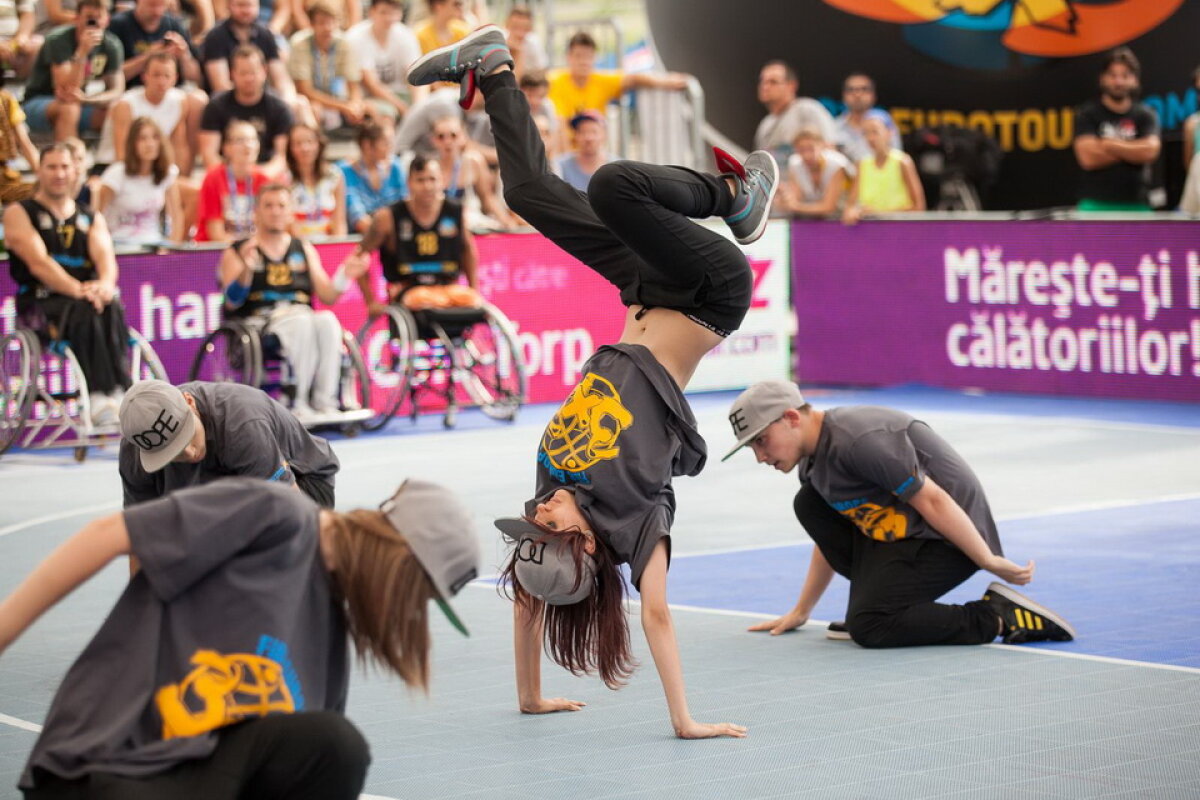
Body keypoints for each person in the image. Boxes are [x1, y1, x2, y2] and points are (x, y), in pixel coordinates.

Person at [407, 26, 778, 739]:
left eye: (531, 527)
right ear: (583, 548)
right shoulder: (638, 520)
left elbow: (524, 603)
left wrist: (529, 697)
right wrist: (685, 721)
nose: (538, 516)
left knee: (528, 191)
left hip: (640, 286)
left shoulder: (551, 482)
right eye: (547, 530)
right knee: (612, 184)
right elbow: (660, 616)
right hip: (707, 294)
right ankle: (738, 193)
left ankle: (493, 68)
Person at [0, 475, 481, 798]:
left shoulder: (329, 643)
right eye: (416, 594)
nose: (408, 612)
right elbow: (107, 535)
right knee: (334, 746)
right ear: (395, 554)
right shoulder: (278, 516)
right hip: (109, 765)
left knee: (329, 753)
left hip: (191, 781)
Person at [723, 380, 1077, 649]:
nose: (760, 457)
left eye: (761, 441)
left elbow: (934, 501)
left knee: (871, 625)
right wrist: (802, 610)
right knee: (809, 504)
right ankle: (874, 603)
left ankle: (996, 616)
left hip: (950, 538)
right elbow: (831, 538)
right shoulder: (811, 463)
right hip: (905, 536)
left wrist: (987, 558)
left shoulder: (859, 441)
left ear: (790, 418)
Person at [4, 143, 131, 425]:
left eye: (64, 167)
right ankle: (99, 395)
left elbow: (106, 261)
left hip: (84, 299)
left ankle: (121, 389)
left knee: (110, 304)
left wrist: (105, 286)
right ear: (40, 170)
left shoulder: (89, 216)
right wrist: (81, 290)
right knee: (85, 308)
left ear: (75, 170)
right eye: (51, 167)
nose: (59, 173)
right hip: (39, 302)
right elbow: (39, 264)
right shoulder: (19, 212)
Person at [218, 182, 368, 420]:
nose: (275, 211)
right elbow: (232, 302)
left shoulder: (303, 248)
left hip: (300, 314)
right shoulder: (238, 250)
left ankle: (325, 401)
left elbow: (327, 295)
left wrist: (345, 275)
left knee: (327, 320)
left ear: (290, 212)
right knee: (302, 322)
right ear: (256, 211)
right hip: (261, 323)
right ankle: (297, 402)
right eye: (268, 206)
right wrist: (246, 271)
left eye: (281, 206)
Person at [118, 379, 340, 507]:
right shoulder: (134, 455)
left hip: (303, 483)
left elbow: (293, 512)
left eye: (187, 435)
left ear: (189, 402)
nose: (190, 452)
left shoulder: (243, 425)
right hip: (219, 488)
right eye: (172, 452)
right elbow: (140, 539)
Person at [354, 154, 479, 316]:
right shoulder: (387, 217)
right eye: (420, 180)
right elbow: (359, 256)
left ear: (441, 180)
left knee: (472, 300)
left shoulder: (456, 212)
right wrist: (370, 301)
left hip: (446, 288)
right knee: (420, 299)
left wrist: (474, 289)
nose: (427, 186)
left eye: (432, 179)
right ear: (409, 183)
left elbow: (468, 251)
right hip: (407, 289)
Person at [106, 0, 206, 167]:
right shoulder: (119, 24)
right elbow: (110, 75)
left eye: (161, 5)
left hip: (170, 93)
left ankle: (186, 171)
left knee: (197, 99)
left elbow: (196, 77)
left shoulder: (173, 24)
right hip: (131, 90)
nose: (157, 11)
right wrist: (150, 56)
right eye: (152, 5)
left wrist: (184, 55)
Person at [22, 0, 125, 143]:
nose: (93, 22)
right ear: (76, 18)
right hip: (39, 102)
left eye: (98, 16)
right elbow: (66, 89)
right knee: (69, 109)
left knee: (118, 111)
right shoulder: (57, 39)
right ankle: (68, 160)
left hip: (80, 101)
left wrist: (88, 100)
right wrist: (82, 52)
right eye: (89, 17)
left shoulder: (112, 45)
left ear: (107, 19)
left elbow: (116, 90)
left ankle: (113, 163)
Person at [1073, 47, 1161, 211]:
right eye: (1112, 75)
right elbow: (1088, 158)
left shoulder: (1146, 114)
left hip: (1137, 204)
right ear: (1102, 79)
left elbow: (1150, 151)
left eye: (1125, 75)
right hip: (1095, 205)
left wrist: (1108, 145)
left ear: (1135, 80)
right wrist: (1132, 150)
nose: (1118, 82)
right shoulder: (1087, 114)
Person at [546, 30, 688, 125]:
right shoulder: (552, 81)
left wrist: (664, 81)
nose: (583, 62)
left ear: (594, 58)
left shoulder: (601, 80)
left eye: (588, 57)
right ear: (568, 57)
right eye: (578, 56)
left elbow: (633, 79)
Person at [199, 44, 294, 176]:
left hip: (266, 173)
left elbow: (282, 156)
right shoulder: (216, 106)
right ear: (232, 74)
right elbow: (209, 154)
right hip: (226, 175)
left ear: (264, 72)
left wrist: (259, 176)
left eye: (253, 72)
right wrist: (232, 177)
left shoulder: (279, 108)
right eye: (243, 73)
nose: (249, 78)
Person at [97, 116, 185, 245]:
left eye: (155, 138)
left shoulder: (167, 172)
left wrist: (171, 249)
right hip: (119, 242)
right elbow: (98, 215)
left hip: (154, 243)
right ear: (133, 143)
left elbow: (177, 216)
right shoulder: (116, 174)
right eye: (142, 138)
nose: (150, 144)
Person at [97, 51, 189, 171]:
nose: (161, 81)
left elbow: (178, 147)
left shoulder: (180, 101)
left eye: (167, 76)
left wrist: (177, 176)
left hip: (153, 169)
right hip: (113, 167)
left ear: (175, 78)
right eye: (156, 75)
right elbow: (122, 155)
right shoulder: (126, 105)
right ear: (145, 76)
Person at [288, 0, 364, 130]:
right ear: (312, 24)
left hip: (338, 98)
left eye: (332, 22)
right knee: (314, 110)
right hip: (312, 101)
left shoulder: (344, 43)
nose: (328, 28)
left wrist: (355, 105)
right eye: (322, 23)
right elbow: (305, 90)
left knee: (368, 110)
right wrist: (343, 107)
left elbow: (353, 85)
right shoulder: (299, 43)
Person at [429, 113, 513, 229]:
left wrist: (507, 222)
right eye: (441, 137)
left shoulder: (473, 162)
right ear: (433, 140)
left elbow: (487, 198)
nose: (447, 141)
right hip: (439, 227)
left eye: (453, 136)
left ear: (463, 137)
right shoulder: (429, 167)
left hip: (471, 225)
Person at [345, 0, 423, 122]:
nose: (389, 18)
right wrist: (403, 109)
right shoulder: (356, 36)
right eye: (383, 12)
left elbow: (417, 73)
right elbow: (371, 84)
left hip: (401, 93)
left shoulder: (406, 35)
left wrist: (419, 106)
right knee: (386, 114)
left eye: (394, 12)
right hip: (368, 97)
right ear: (372, 12)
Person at [842, 112, 924, 224]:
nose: (870, 138)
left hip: (900, 231)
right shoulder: (861, 165)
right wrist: (853, 212)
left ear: (889, 132)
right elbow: (850, 205)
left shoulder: (903, 162)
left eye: (875, 132)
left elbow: (918, 207)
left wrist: (879, 214)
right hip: (870, 233)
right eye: (865, 133)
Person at [195, 118, 270, 242]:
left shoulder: (264, 180)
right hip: (216, 251)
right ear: (226, 148)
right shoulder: (213, 178)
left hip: (252, 250)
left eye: (252, 139)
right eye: (240, 140)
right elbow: (216, 234)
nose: (248, 145)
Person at [754, 60, 836, 169]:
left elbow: (830, 150)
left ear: (791, 86)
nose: (765, 86)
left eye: (773, 82)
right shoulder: (765, 124)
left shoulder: (808, 109)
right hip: (774, 184)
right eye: (762, 81)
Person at [340, 119, 407, 234]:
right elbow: (357, 217)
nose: (390, 147)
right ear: (367, 145)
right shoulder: (345, 172)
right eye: (385, 143)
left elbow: (406, 204)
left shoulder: (396, 167)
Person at [286, 122, 347, 238]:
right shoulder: (284, 179)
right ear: (290, 148)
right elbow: (288, 222)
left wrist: (337, 245)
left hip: (328, 244)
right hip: (298, 246)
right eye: (298, 143)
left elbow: (340, 220)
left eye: (309, 142)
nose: (305, 148)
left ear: (319, 144)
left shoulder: (335, 176)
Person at [776, 126, 853, 218]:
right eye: (801, 150)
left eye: (811, 148)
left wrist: (795, 206)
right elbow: (795, 198)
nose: (806, 155)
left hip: (841, 220)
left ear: (822, 146)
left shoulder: (837, 164)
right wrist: (784, 198)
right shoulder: (795, 164)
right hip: (812, 221)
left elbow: (829, 207)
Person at [833, 71, 899, 166]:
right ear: (844, 95)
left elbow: (896, 157)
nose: (857, 94)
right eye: (851, 90)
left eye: (864, 89)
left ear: (873, 95)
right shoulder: (835, 127)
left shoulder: (884, 122)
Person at [0, 75, 39, 204]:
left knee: (43, 193)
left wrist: (43, 175)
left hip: (5, 179)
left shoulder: (5, 99)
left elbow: (25, 143)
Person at [554, 110, 609, 193]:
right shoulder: (559, 165)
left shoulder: (616, 168)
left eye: (594, 132)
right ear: (576, 136)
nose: (588, 138)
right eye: (583, 132)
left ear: (604, 135)